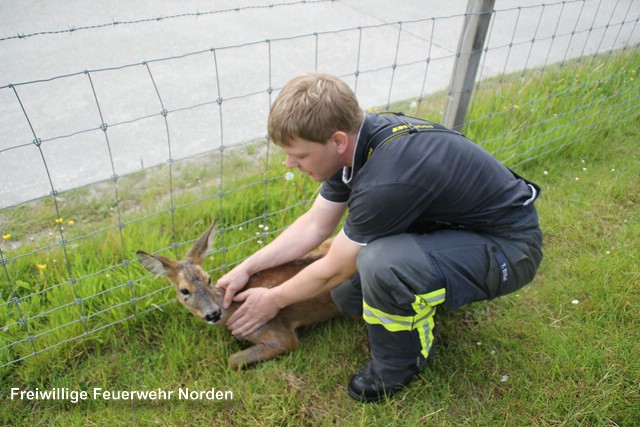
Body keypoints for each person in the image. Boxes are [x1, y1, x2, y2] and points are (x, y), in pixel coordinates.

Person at [215, 72, 543, 403]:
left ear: (337, 141)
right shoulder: (358, 145)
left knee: (380, 263)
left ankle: (399, 364)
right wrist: (248, 266)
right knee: (346, 295)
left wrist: (273, 299)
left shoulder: (388, 178)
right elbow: (314, 224)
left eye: (299, 156)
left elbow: (335, 267)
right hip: (456, 232)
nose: (290, 163)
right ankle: (427, 292)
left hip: (509, 248)